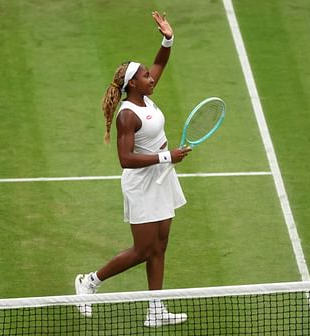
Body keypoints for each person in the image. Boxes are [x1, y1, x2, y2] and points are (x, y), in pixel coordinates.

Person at [74, 11, 192, 328]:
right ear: (133, 85)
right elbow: (125, 159)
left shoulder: (145, 98)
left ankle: (155, 311)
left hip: (163, 177)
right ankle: (89, 282)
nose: (152, 77)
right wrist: (168, 158)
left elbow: (161, 63)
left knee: (160, 245)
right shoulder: (128, 115)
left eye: (150, 75)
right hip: (142, 182)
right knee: (143, 249)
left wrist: (168, 38)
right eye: (145, 76)